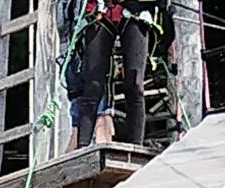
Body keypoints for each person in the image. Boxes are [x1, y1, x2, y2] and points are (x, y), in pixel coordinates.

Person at [67, 0, 167, 147]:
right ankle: (82, 147)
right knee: (93, 85)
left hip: (136, 11)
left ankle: (136, 147)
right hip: (101, 12)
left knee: (134, 85)